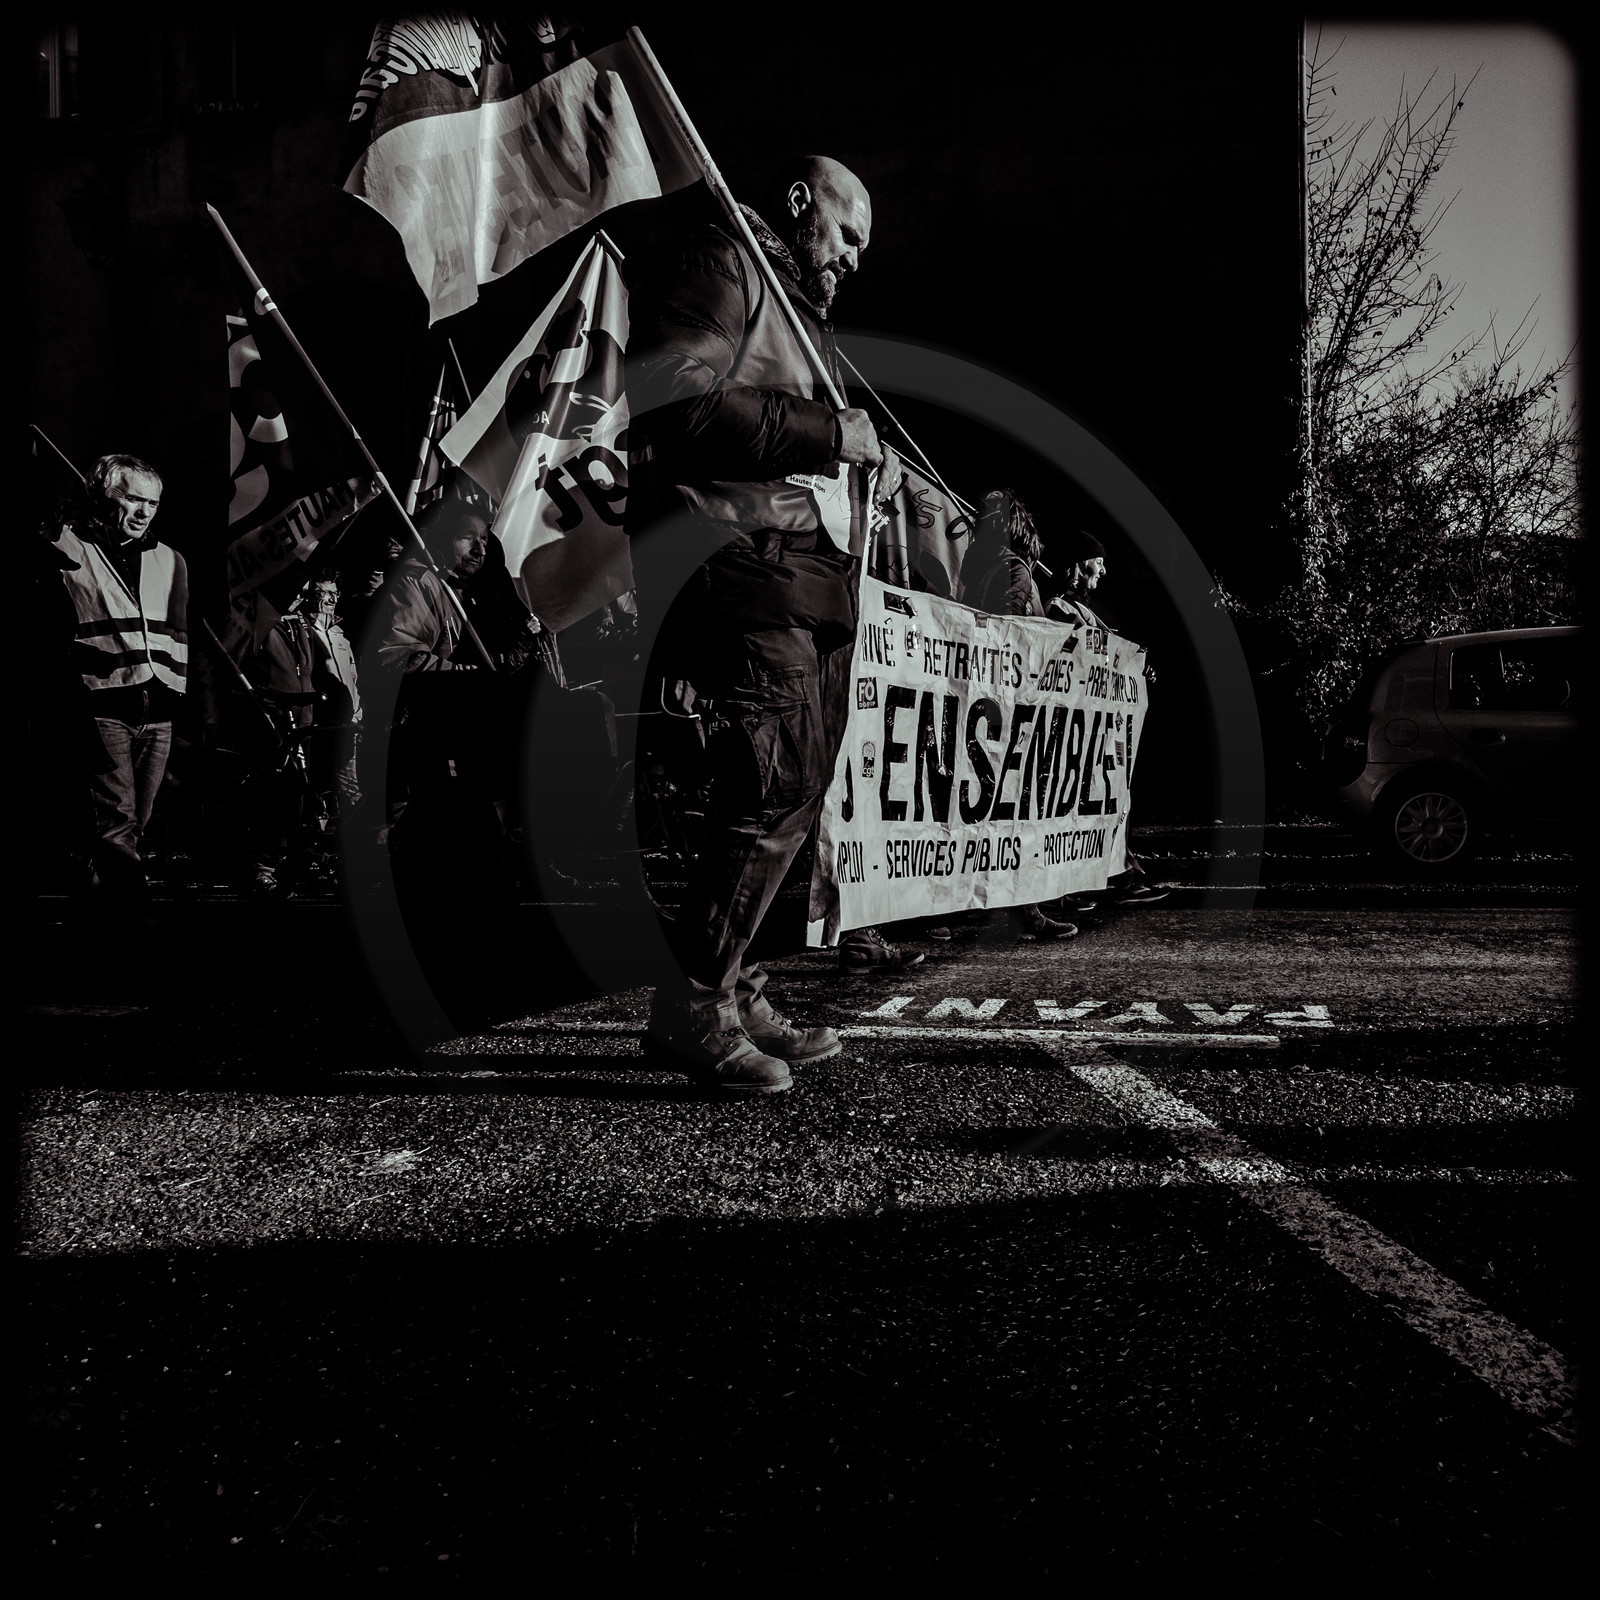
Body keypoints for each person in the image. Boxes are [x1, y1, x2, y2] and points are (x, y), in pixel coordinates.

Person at [626, 155, 923, 1096]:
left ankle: (739, 983)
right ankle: (694, 1004)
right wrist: (832, 434)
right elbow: (676, 399)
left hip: (803, 574)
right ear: (801, 206)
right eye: (845, 234)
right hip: (733, 562)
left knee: (803, 786)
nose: (853, 260)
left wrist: (855, 465)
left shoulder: (797, 313)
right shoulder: (723, 260)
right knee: (770, 779)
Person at [51, 453, 187, 905]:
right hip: (102, 701)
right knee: (118, 822)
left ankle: (88, 881)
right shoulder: (68, 547)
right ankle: (130, 913)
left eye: (153, 502)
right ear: (105, 496)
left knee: (136, 821)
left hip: (160, 709)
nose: (145, 511)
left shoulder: (172, 560)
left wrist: (199, 708)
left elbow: (184, 637)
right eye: (132, 498)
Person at [958, 490, 1078, 942]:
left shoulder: (979, 569)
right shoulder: (1014, 570)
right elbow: (1019, 638)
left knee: (985, 809)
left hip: (978, 702)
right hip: (1009, 703)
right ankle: (1023, 909)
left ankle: (983, 908)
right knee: (1018, 806)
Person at [1045, 528, 1168, 907]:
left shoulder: (1080, 608)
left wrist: (1135, 669)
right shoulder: (1058, 607)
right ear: (1080, 564)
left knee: (1106, 800)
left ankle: (1116, 873)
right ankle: (1096, 880)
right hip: (1074, 728)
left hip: (1099, 730)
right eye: (1098, 562)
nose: (1103, 571)